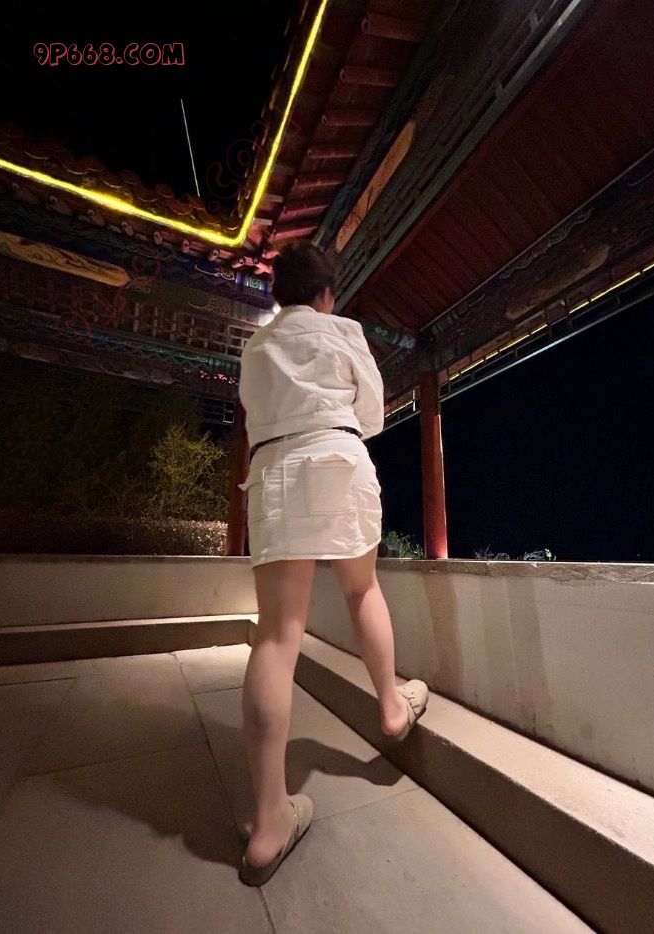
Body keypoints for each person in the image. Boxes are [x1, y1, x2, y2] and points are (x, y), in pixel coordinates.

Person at [235, 240, 429, 886]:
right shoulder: (343, 331)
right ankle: (392, 706)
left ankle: (269, 823)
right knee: (361, 589)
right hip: (338, 456)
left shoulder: (257, 346)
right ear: (326, 293)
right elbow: (370, 415)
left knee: (276, 635)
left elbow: (253, 416)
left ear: (278, 296)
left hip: (276, 469)